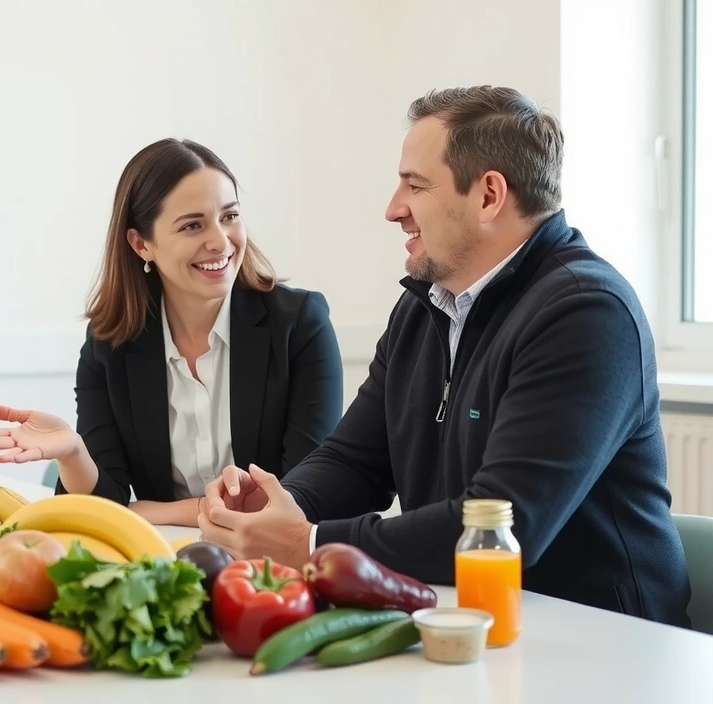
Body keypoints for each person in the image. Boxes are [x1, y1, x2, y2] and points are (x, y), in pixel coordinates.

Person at [197, 86, 692, 628]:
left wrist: (307, 543)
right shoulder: (424, 306)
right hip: (469, 622)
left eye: (415, 186)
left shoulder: (586, 312)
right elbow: (356, 460)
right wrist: (279, 505)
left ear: (489, 196)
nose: (393, 209)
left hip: (603, 641)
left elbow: (502, 525)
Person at [0, 138, 345, 527]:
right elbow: (100, 506)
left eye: (229, 215)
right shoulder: (110, 343)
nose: (220, 241)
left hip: (274, 557)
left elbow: (304, 495)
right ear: (141, 244)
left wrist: (151, 511)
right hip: (162, 554)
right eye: (192, 225)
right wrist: (73, 452)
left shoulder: (300, 324)